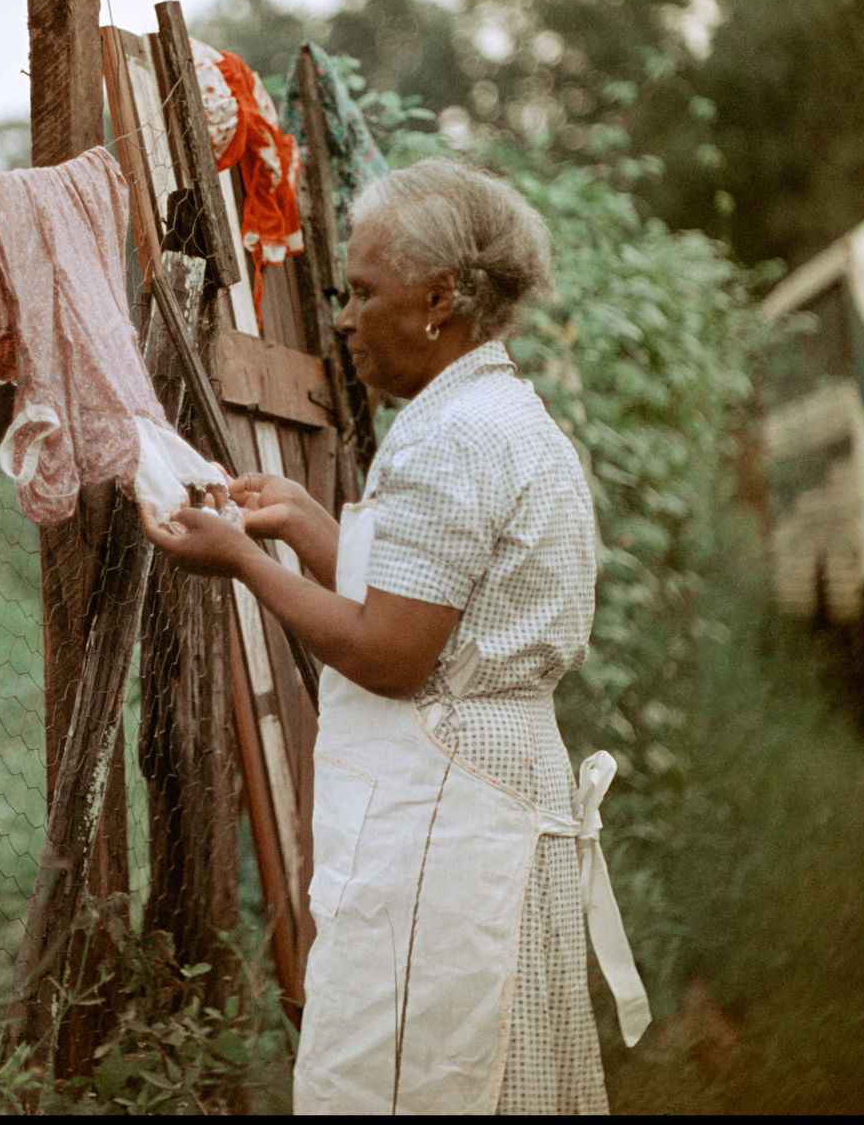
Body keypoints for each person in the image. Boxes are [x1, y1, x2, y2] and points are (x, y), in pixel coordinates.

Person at [139, 157, 648, 1114]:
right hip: (491, 792)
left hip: (450, 820)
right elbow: (440, 610)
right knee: (495, 1059)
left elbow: (393, 650)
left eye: (362, 293)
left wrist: (244, 564)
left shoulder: (450, 436)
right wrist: (300, 521)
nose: (341, 318)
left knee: (428, 1069)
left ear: (439, 299)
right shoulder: (505, 416)